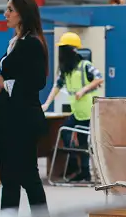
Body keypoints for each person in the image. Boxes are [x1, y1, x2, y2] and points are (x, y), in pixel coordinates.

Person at [0, 0, 53, 217]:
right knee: (9, 179)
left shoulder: (33, 44)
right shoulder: (15, 42)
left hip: (24, 120)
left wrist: (5, 84)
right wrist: (1, 86)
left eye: (10, 10)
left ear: (22, 13)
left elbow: (37, 82)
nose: (6, 14)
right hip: (11, 118)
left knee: (29, 178)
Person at [41, 32, 104, 182]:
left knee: (82, 141)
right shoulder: (66, 71)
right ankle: (79, 168)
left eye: (63, 49)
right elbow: (56, 87)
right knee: (66, 134)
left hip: (88, 112)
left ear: (72, 51)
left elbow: (99, 78)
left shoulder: (85, 66)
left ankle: (82, 171)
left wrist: (83, 90)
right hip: (76, 112)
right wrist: (47, 104)